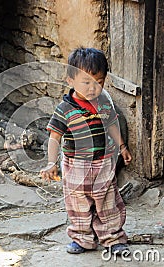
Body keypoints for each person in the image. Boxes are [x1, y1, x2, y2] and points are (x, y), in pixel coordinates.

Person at [40, 47, 132, 255]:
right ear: (70, 81)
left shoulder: (104, 104)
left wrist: (122, 146)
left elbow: (112, 126)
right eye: (87, 82)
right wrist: (51, 163)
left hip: (103, 162)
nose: (93, 88)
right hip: (75, 165)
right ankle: (82, 239)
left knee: (108, 202)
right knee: (77, 204)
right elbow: (54, 138)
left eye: (99, 82)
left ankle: (113, 238)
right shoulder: (64, 110)